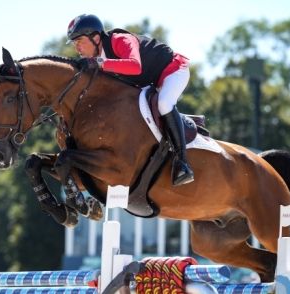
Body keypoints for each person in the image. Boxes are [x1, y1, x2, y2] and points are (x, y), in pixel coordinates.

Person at [66, 14, 194, 186]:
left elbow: (135, 66)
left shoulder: (120, 40)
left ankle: (182, 163)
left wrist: (100, 63)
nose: (77, 48)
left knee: (164, 103)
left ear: (96, 38)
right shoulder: (96, 59)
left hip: (173, 70)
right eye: (74, 43)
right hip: (148, 82)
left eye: (79, 41)